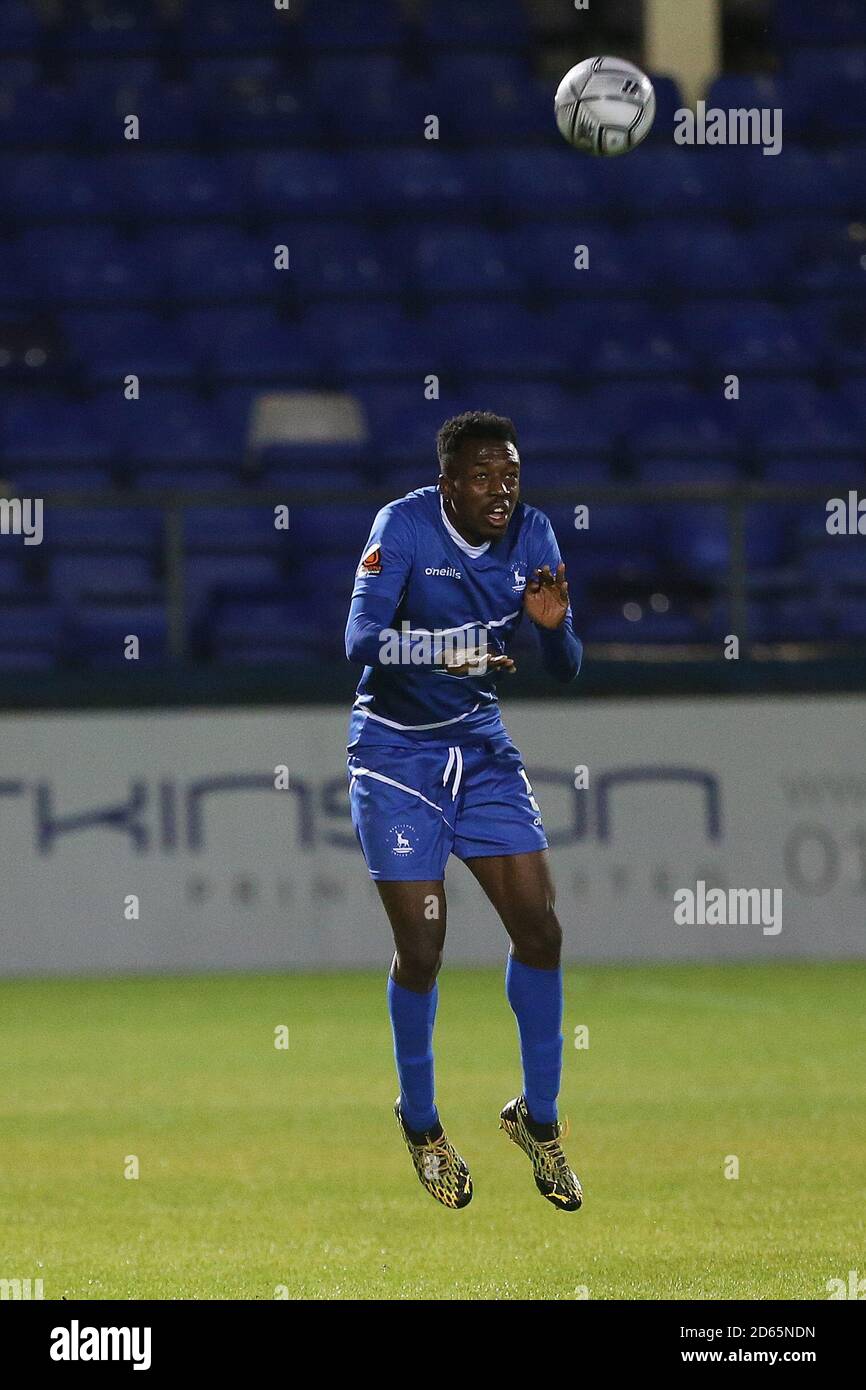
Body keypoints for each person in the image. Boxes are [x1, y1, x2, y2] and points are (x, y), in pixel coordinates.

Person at [345, 411, 583, 1211]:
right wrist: (441, 651)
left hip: (478, 749)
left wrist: (552, 634)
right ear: (448, 484)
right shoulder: (403, 526)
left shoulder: (535, 536)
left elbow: (567, 665)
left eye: (510, 476)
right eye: (482, 477)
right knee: (424, 947)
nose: (500, 492)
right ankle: (420, 1122)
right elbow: (358, 639)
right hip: (395, 755)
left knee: (541, 931)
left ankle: (538, 1121)